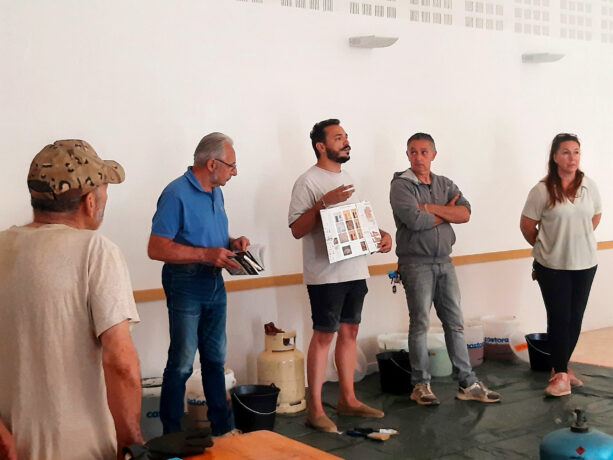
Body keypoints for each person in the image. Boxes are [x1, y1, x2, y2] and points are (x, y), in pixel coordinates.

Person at [0, 140, 143, 459]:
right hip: (81, 449)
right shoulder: (96, 251)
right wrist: (131, 443)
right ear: (90, 202)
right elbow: (119, 361)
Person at [288, 119, 392, 432]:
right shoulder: (307, 181)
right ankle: (315, 409)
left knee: (350, 332)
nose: (345, 142)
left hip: (355, 269)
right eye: (338, 137)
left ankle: (348, 399)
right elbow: (297, 229)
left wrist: (380, 234)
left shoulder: (347, 177)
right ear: (321, 146)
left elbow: (353, 222)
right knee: (323, 337)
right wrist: (323, 204)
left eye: (345, 136)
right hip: (325, 275)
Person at [148, 132, 249, 437]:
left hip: (215, 281)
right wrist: (206, 254)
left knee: (215, 360)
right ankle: (172, 435)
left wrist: (232, 242)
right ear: (211, 164)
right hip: (185, 282)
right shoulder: (175, 194)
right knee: (181, 364)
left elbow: (206, 235)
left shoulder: (216, 192)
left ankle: (223, 430)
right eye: (231, 166)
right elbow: (156, 248)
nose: (235, 172)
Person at [389, 132, 501, 406]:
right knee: (420, 324)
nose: (418, 157)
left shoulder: (444, 183)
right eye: (413, 151)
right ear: (407, 155)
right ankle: (421, 385)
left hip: (445, 262)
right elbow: (414, 221)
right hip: (415, 263)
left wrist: (429, 208)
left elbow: (465, 213)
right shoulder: (400, 186)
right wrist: (445, 212)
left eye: (423, 151)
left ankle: (467, 382)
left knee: (455, 323)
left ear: (433, 155)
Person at [520, 133, 601, 397]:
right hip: (552, 266)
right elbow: (527, 226)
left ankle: (561, 368)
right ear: (555, 157)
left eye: (576, 152)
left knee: (575, 318)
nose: (572, 157)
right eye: (566, 152)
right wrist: (548, 246)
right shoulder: (541, 190)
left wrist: (577, 239)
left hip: (585, 264)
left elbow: (595, 216)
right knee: (559, 317)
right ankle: (561, 375)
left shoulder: (589, 186)